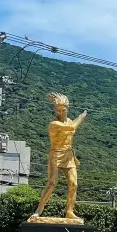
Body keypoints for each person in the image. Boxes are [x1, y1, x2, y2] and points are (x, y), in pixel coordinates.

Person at [31, 92, 87, 220]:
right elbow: (72, 128)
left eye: (63, 109)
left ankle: (69, 211)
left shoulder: (69, 121)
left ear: (67, 109)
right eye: (58, 110)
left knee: (73, 183)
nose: (61, 112)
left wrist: (74, 157)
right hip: (56, 154)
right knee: (52, 183)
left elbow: (70, 133)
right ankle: (39, 209)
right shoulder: (54, 124)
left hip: (68, 155)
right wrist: (81, 116)